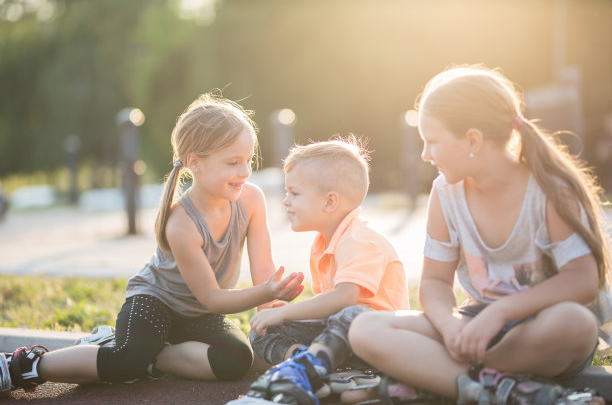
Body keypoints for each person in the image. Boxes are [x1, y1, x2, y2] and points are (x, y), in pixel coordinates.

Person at [0, 92, 304, 393]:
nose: (245, 171)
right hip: (155, 302)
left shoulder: (251, 199)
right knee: (125, 360)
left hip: (197, 315)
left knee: (236, 359)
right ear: (195, 163)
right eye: (233, 162)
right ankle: (25, 365)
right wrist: (265, 291)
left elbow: (263, 267)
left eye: (248, 160)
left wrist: (271, 307)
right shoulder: (182, 224)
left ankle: (152, 356)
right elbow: (212, 297)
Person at [346, 65, 611, 405]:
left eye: (432, 141)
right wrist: (449, 325)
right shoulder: (445, 193)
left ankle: (441, 380)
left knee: (576, 324)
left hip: (540, 330)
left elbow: (582, 280)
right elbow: (434, 283)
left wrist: (500, 313)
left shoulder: (548, 192)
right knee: (366, 329)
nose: (425, 154)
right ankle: (507, 390)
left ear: (473, 139)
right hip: (475, 327)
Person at [231, 137, 409, 405]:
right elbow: (327, 311)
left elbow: (344, 299)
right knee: (263, 328)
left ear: (329, 202)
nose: (286, 201)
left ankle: (327, 369)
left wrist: (286, 311)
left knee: (353, 314)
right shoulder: (324, 243)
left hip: (377, 340)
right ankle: (312, 367)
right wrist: (279, 314)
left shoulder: (360, 239)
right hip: (339, 340)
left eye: (295, 193)